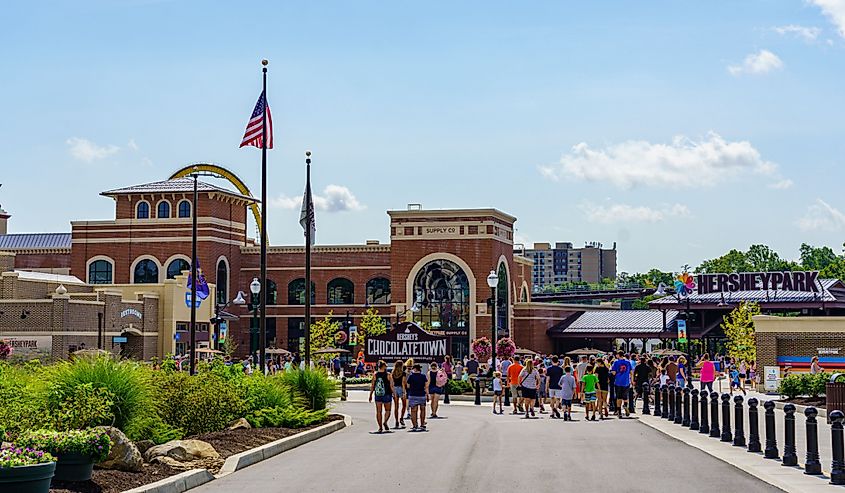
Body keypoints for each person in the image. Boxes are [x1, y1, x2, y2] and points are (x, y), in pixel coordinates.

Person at [368, 360, 394, 434]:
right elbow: (391, 386)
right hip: (387, 394)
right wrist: (394, 393)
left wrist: (370, 395)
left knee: (379, 412)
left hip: (378, 395)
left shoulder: (375, 375)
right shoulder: (388, 375)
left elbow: (372, 386)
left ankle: (380, 427)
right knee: (388, 410)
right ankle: (385, 422)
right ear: (384, 366)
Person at [406, 364, 428, 431]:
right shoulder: (423, 376)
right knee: (422, 410)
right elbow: (426, 386)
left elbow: (408, 386)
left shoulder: (411, 377)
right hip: (421, 395)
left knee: (413, 411)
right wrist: (427, 394)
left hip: (413, 395)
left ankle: (415, 425)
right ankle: (422, 424)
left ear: (414, 369)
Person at [610, 351, 632, 418]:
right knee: (625, 397)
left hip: (618, 382)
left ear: (618, 355)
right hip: (626, 381)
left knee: (618, 397)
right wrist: (632, 380)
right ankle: (625, 405)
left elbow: (613, 372)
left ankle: (619, 412)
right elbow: (631, 372)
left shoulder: (616, 362)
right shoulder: (628, 362)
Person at [391, 360, 407, 429]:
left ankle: (396, 421)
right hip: (401, 388)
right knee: (404, 405)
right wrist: (404, 392)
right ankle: (401, 418)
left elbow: (392, 383)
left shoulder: (393, 373)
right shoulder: (403, 373)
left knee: (396, 406)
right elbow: (403, 383)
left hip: (394, 388)